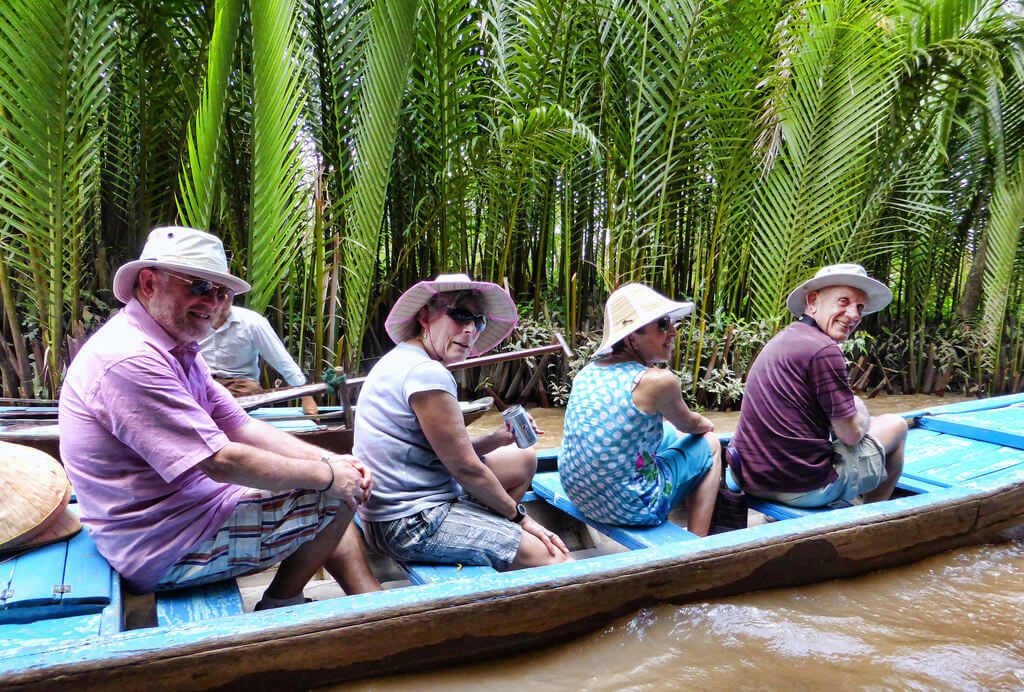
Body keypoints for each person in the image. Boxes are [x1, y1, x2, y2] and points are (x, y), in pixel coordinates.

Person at [59, 226, 380, 607]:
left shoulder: (177, 347)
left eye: (222, 292)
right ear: (148, 283)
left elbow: (241, 426)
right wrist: (329, 476)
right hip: (164, 546)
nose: (213, 301)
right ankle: (283, 601)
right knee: (337, 498)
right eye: (198, 286)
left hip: (190, 512)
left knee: (335, 483)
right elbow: (220, 461)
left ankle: (368, 604)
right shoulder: (131, 358)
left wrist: (331, 461)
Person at [354, 273, 570, 571]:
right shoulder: (427, 373)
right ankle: (506, 548)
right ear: (426, 316)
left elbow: (446, 452)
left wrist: (497, 438)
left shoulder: (404, 358)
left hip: (393, 512)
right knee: (557, 559)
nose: (471, 329)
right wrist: (522, 520)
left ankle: (495, 544)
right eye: (460, 315)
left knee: (521, 458)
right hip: (410, 523)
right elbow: (465, 467)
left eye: (478, 321)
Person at [728, 263, 908, 507]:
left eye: (859, 307)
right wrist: (862, 412)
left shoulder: (786, 337)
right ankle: (872, 515)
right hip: (799, 487)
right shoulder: (824, 350)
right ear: (813, 301)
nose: (854, 315)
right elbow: (851, 435)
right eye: (843, 302)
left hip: (746, 475)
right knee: (896, 426)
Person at [558, 283, 722, 535]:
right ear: (631, 337)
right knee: (710, 443)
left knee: (666, 433)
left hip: (582, 498)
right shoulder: (658, 380)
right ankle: (697, 541)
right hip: (633, 507)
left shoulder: (586, 372)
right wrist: (706, 425)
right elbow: (690, 424)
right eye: (663, 324)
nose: (673, 333)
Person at [199, 301, 319, 416]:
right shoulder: (192, 319)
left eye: (227, 293)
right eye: (219, 294)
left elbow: (281, 359)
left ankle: (211, 411)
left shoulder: (252, 322)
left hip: (239, 387)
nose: (224, 300)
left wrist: (306, 396)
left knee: (251, 391)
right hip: (200, 383)